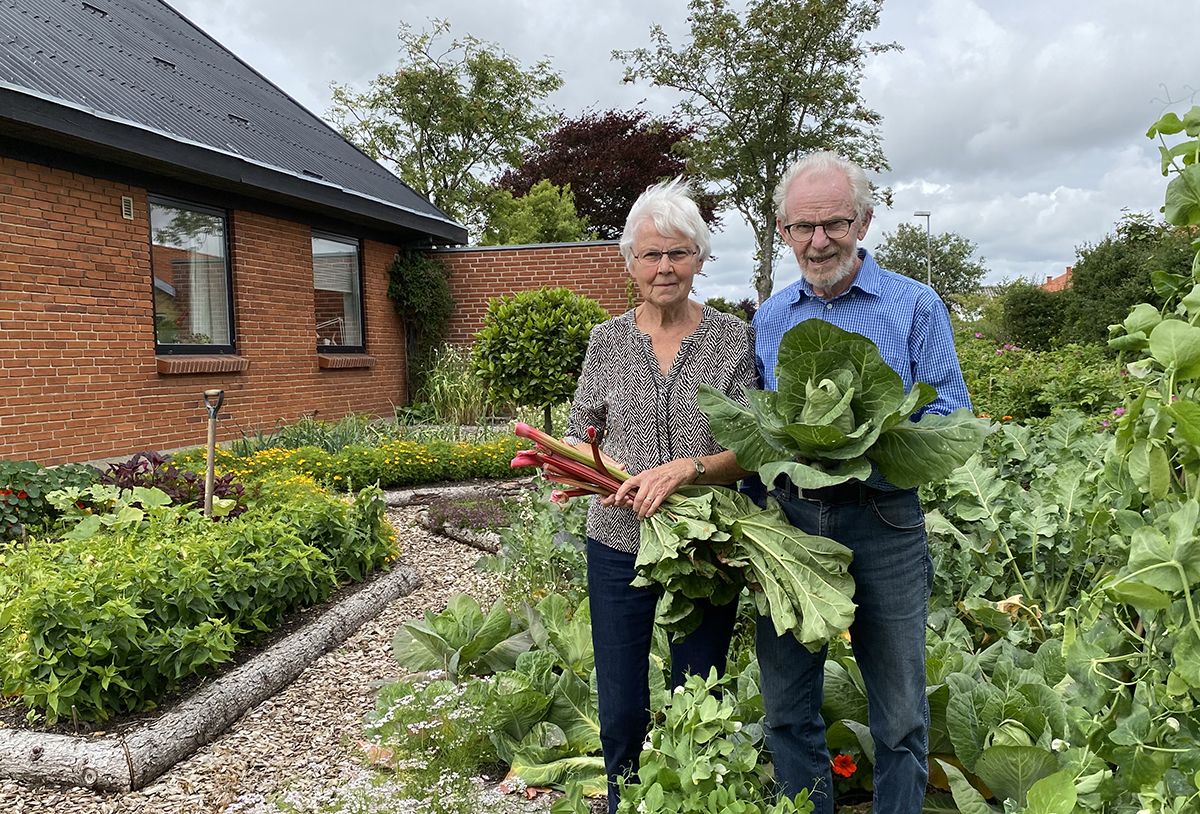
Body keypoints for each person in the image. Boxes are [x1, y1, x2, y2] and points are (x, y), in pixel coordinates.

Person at [751, 152, 971, 814]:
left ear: (865, 221)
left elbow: (951, 419)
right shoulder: (769, 318)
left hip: (886, 521)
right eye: (803, 227)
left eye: (836, 223)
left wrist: (866, 447)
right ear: (784, 231)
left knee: (900, 713)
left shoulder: (914, 305)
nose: (820, 241)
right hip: (791, 524)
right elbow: (760, 429)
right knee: (788, 707)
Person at [564, 178, 758, 813]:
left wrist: (686, 469)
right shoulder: (607, 340)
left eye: (679, 253)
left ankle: (690, 802)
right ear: (629, 263)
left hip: (705, 543)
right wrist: (572, 472)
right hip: (617, 540)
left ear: (700, 259)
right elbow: (580, 428)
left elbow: (754, 447)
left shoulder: (734, 339)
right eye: (651, 255)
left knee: (696, 693)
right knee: (620, 701)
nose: (665, 267)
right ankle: (626, 802)